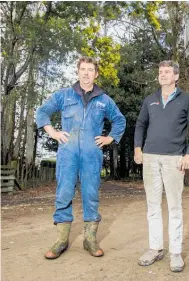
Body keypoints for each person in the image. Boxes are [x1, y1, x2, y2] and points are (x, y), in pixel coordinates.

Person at [36, 56, 126, 259]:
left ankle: (90, 240)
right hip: (68, 154)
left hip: (91, 155)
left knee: (91, 194)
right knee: (64, 193)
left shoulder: (104, 100)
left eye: (90, 69)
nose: (86, 73)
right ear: (77, 72)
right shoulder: (65, 95)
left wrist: (110, 137)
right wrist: (53, 133)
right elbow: (42, 111)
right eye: (83, 69)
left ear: (96, 73)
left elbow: (119, 120)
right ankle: (61, 240)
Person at [134, 60, 189, 272]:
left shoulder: (186, 99)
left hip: (174, 159)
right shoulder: (150, 99)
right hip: (150, 158)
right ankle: (155, 249)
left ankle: (175, 253)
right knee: (153, 206)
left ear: (176, 76)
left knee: (174, 207)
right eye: (160, 72)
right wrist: (137, 148)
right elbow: (140, 124)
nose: (163, 75)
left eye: (167, 72)